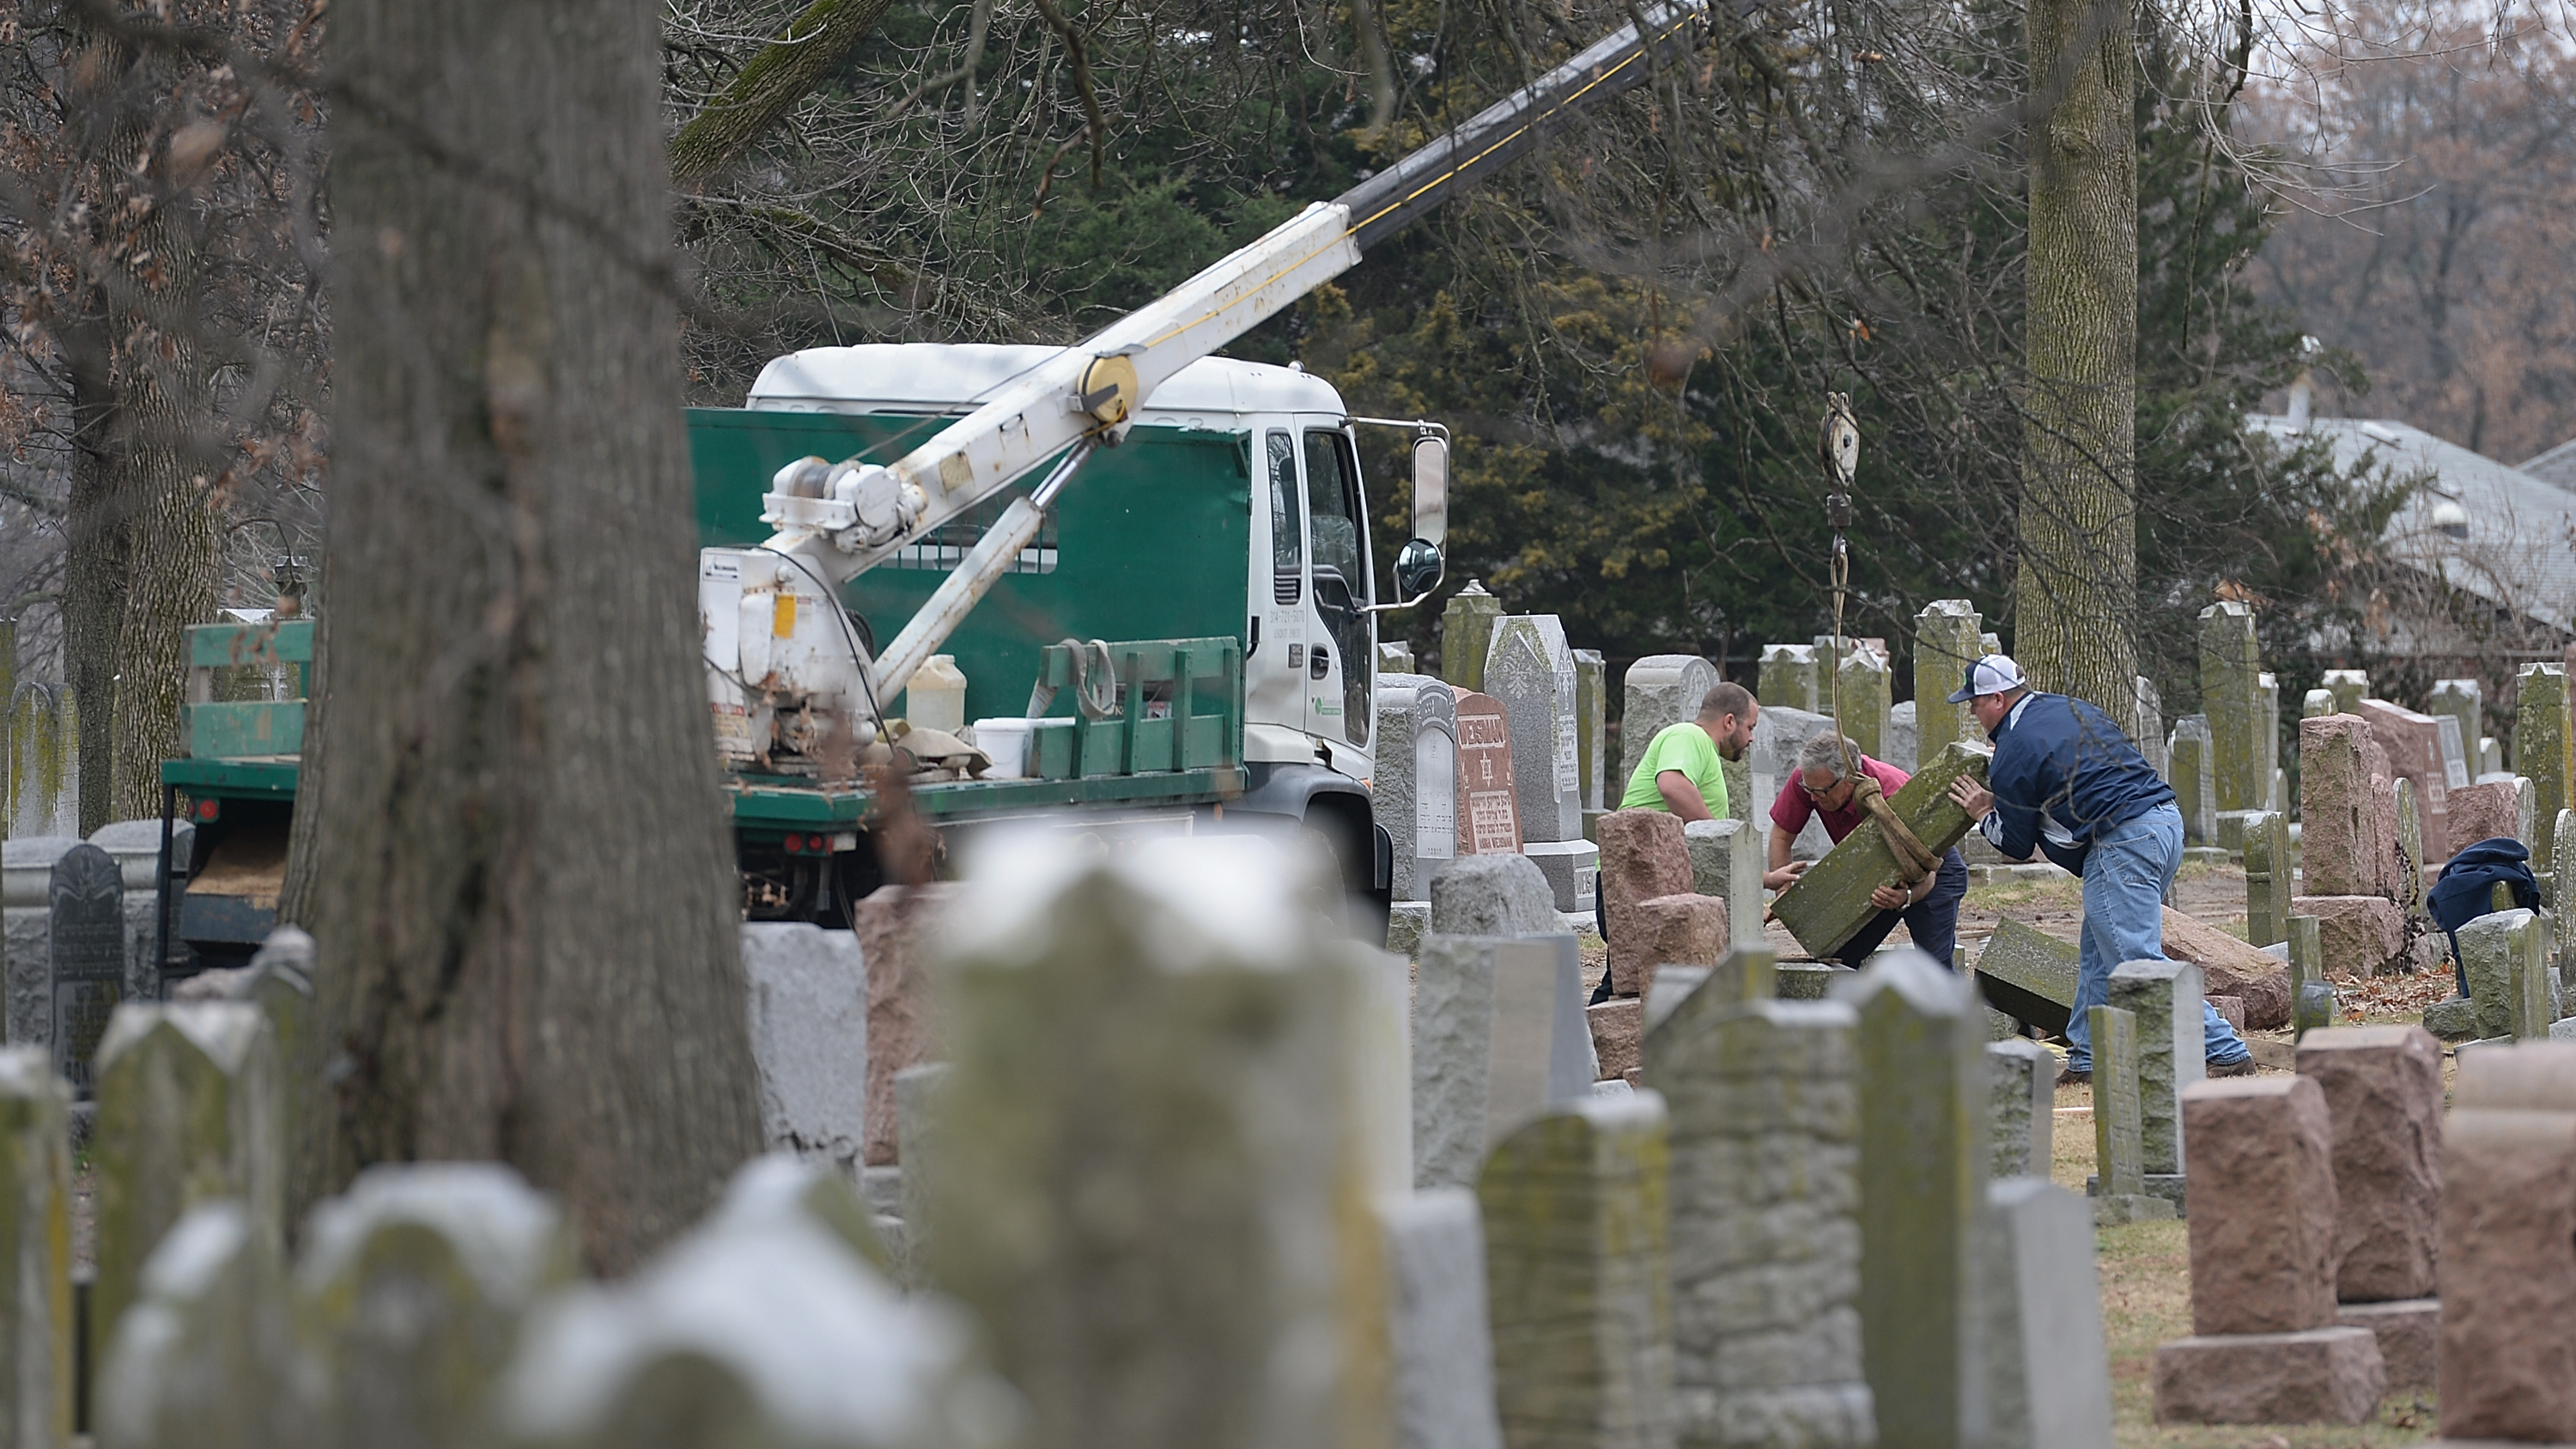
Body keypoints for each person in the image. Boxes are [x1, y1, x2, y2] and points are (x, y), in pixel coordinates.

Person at [1940, 654, 2254, 1086]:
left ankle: (2226, 1049)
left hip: (2123, 840)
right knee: (2097, 956)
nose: (1971, 711)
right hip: (2164, 824)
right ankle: (2087, 1059)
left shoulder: (2013, 749)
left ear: (1997, 698)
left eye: (1973, 702)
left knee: (2134, 959)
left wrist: (1982, 811)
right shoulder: (2070, 707)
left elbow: (2015, 844)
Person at [1765, 731, 1969, 968]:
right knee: (1839, 957)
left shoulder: (1892, 789)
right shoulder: (1810, 779)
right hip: (1871, 875)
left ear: (1848, 780)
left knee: (1935, 967)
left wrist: (1907, 897)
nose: (1811, 797)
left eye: (1820, 793)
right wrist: (1783, 891)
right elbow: (1781, 836)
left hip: (1933, 871)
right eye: (1807, 788)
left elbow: (1930, 868)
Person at [1617, 681, 1759, 820]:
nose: (1751, 738)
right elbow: (1672, 785)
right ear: (1729, 722)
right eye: (1750, 728)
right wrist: (1714, 836)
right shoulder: (1689, 734)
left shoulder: (1702, 744)